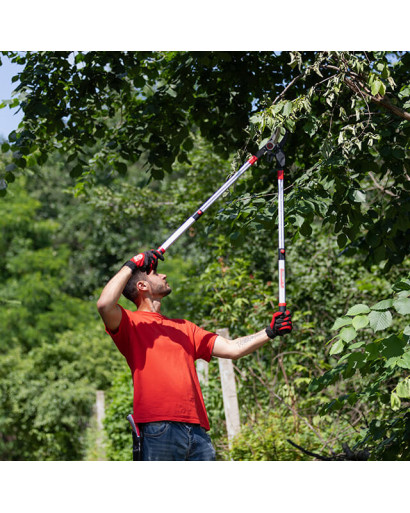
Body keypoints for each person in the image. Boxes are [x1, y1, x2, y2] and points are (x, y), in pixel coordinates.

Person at [97, 249, 292, 461]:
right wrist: (133, 264)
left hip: (197, 431)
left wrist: (270, 332)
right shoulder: (130, 323)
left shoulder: (185, 327)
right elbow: (104, 304)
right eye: (155, 274)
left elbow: (233, 349)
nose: (163, 275)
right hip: (158, 428)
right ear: (142, 286)